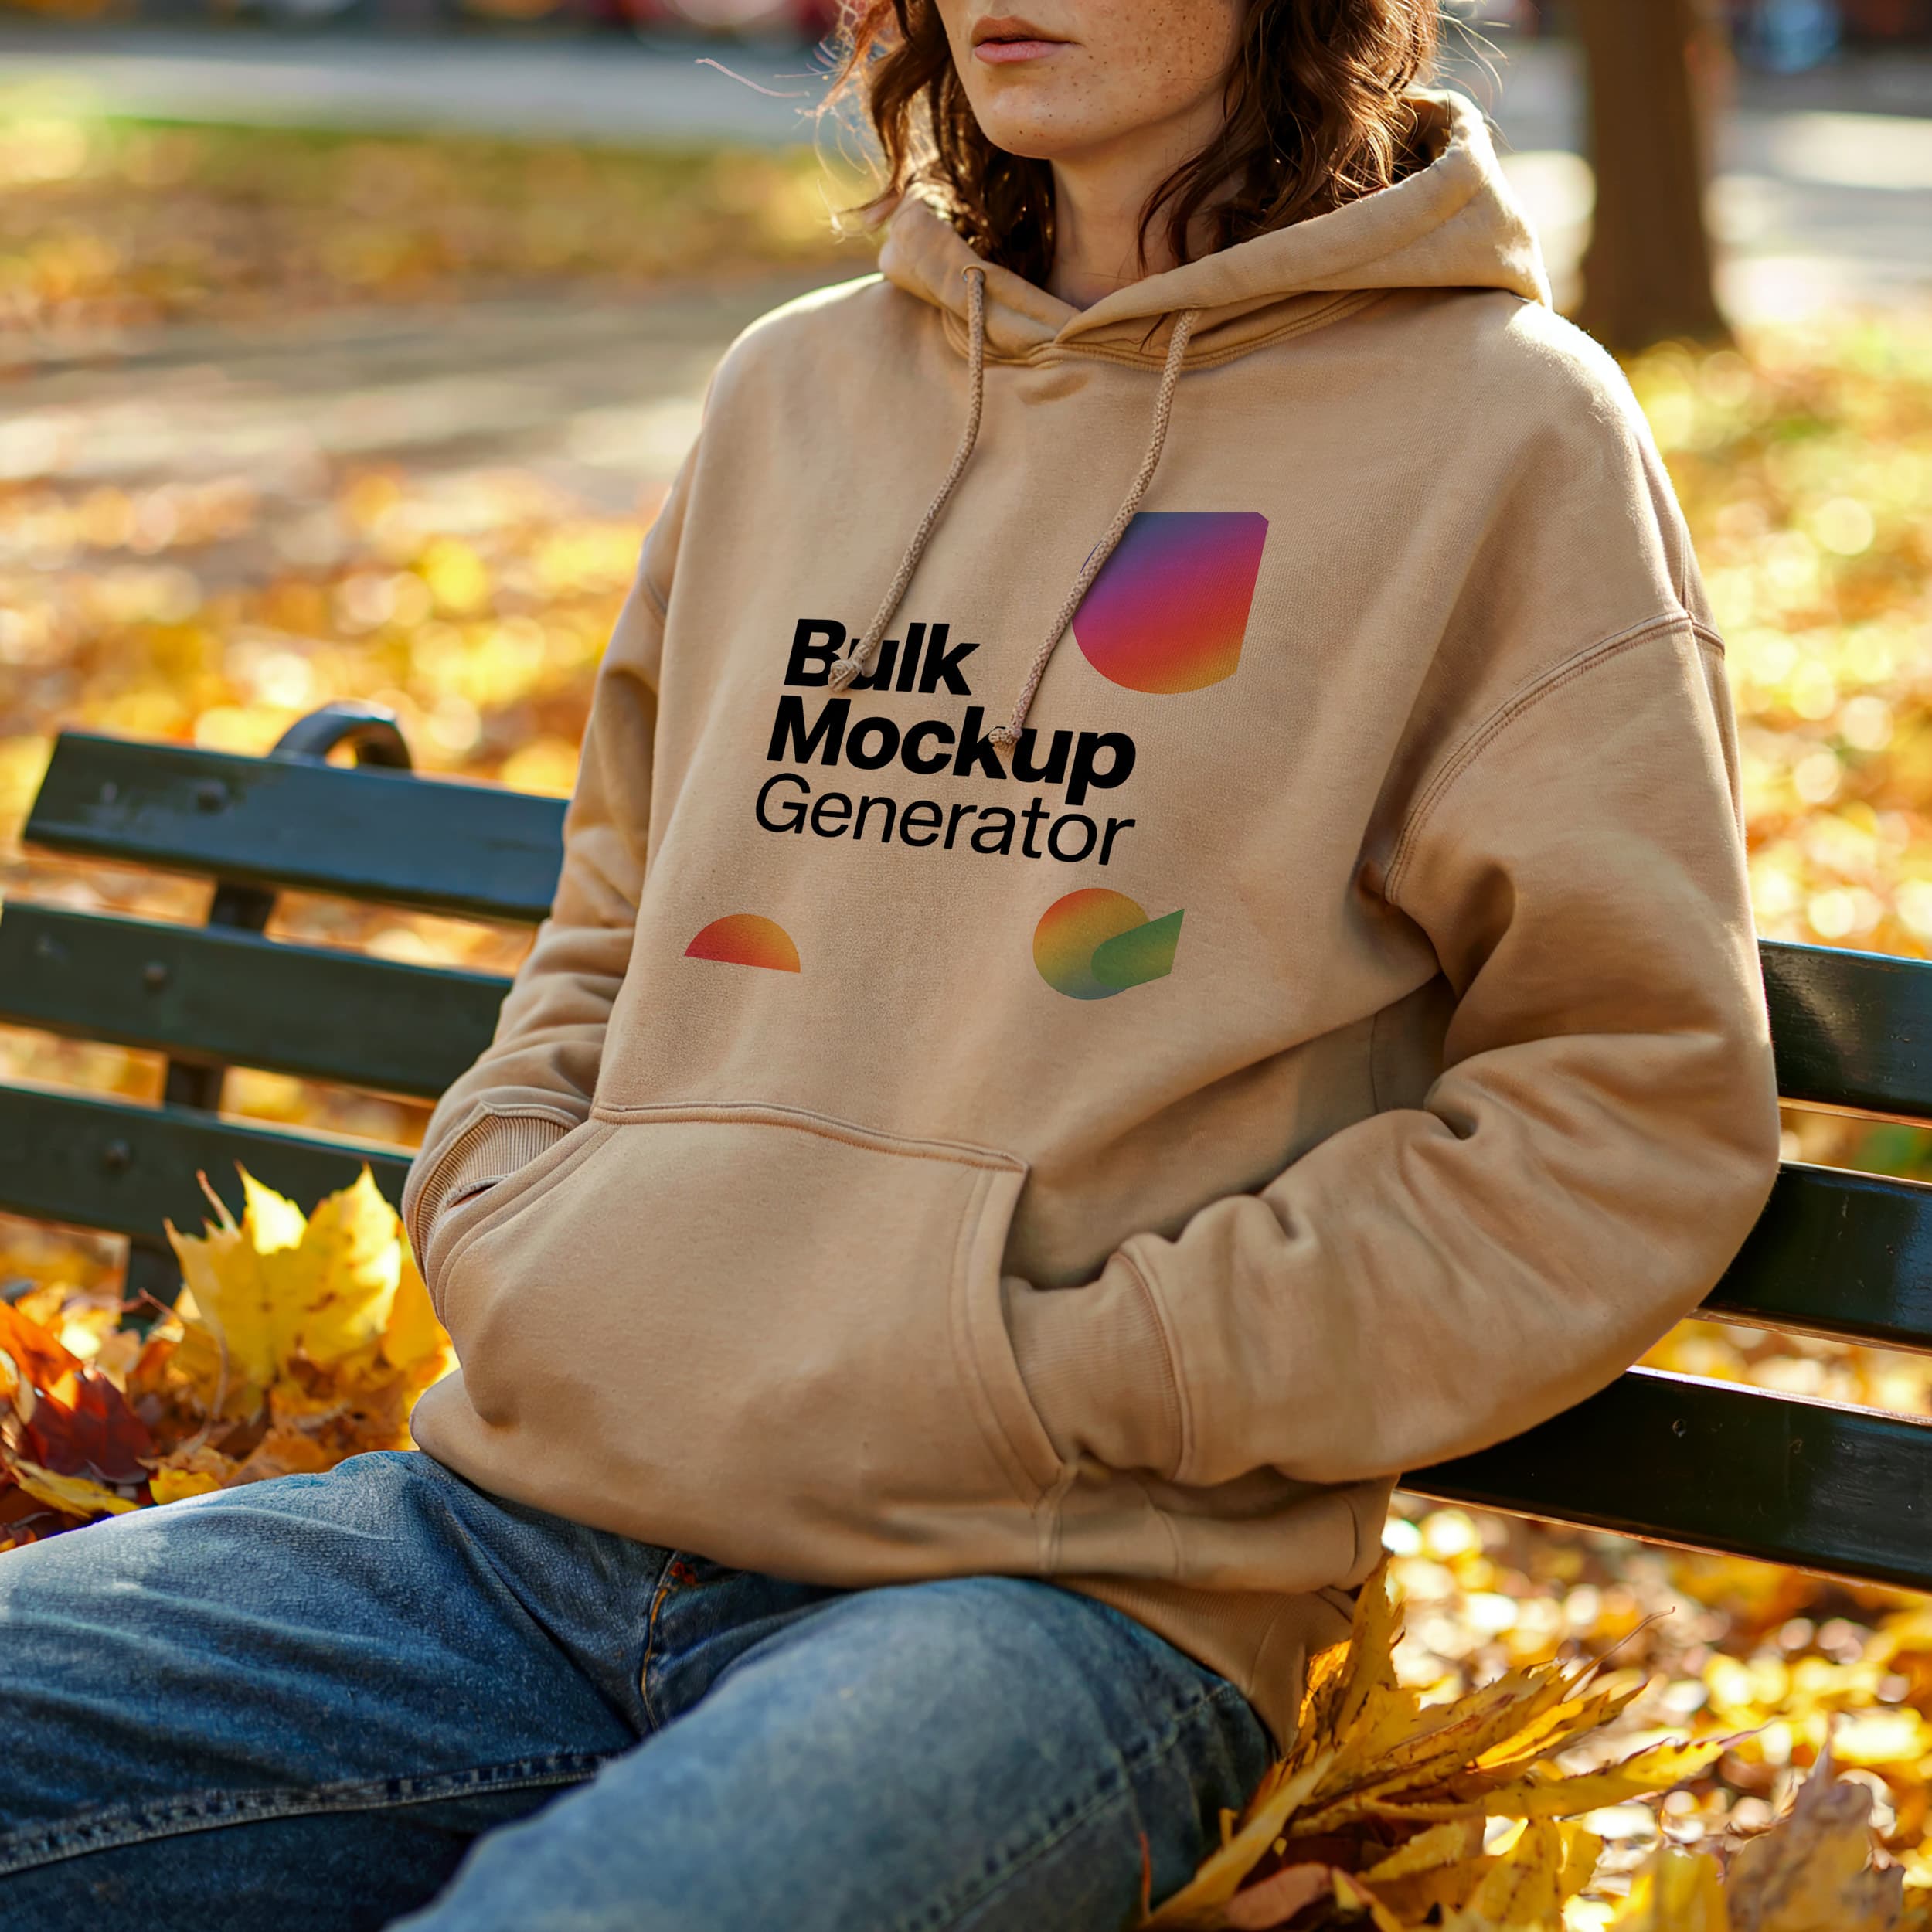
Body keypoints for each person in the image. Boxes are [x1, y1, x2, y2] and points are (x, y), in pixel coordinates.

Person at [0, 2, 1781, 1926]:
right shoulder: (796, 395)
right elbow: (611, 917)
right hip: (516, 1535)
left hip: (1054, 1595)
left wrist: (1093, 1366)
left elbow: (1623, 1110)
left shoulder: (1502, 433)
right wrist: (524, 1217)